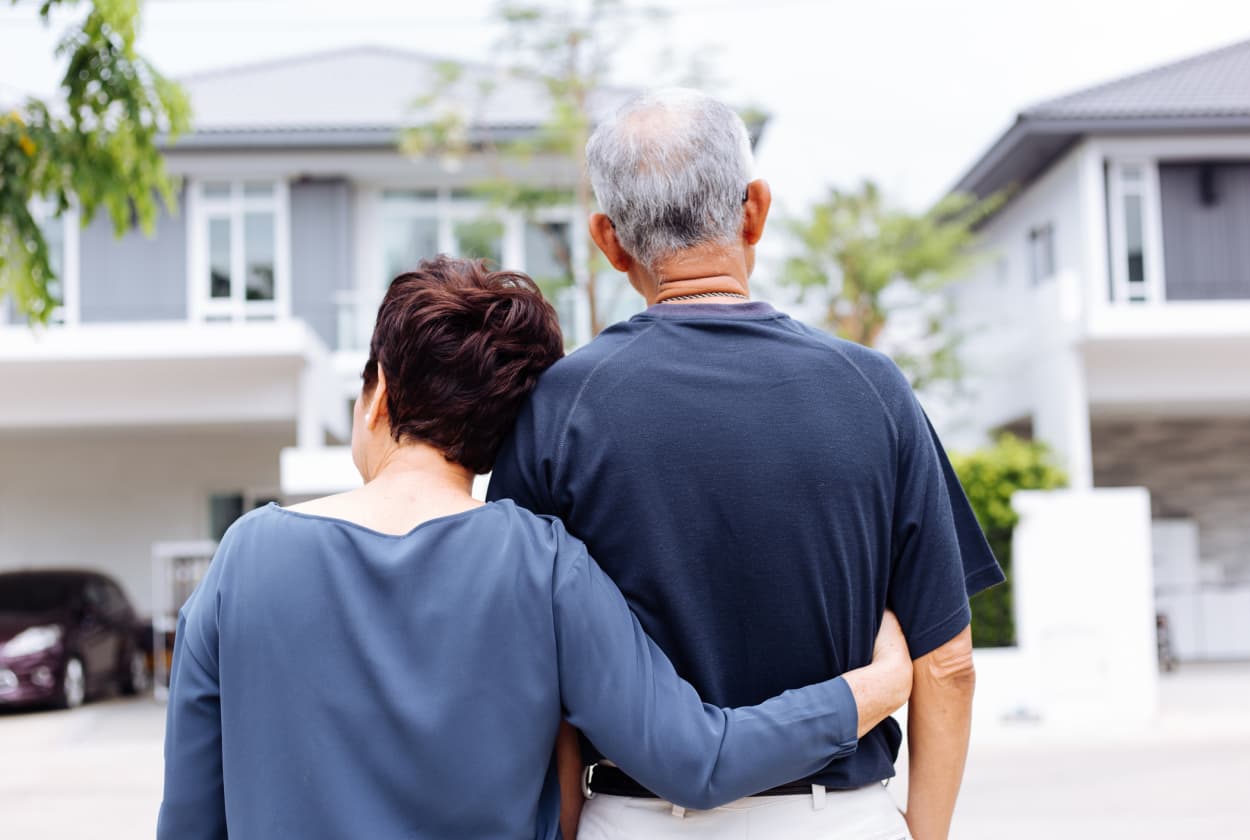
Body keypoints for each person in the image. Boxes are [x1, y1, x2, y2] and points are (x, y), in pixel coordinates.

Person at [156, 257, 914, 840]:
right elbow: (697, 759)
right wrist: (874, 687)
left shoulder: (245, 561)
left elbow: (190, 823)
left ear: (377, 394)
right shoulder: (542, 563)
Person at [489, 89, 1006, 840]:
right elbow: (948, 664)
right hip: (840, 819)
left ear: (608, 239)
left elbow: (536, 679)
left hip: (638, 817)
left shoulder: (557, 407)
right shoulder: (874, 389)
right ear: (755, 209)